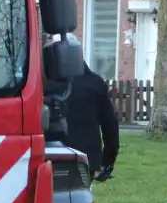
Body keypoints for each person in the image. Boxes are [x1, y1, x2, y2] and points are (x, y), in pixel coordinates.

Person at [50, 33, 120, 181]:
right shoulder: (94, 83)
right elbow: (110, 125)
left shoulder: (43, 84)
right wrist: (107, 161)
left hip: (48, 155)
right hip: (85, 159)